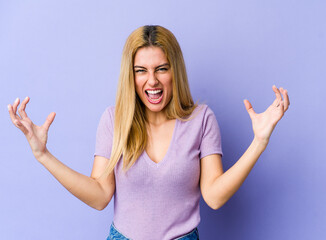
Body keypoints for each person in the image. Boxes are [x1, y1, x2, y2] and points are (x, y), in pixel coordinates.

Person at [7, 25, 290, 240]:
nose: (151, 80)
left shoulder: (201, 120)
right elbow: (99, 195)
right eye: (141, 70)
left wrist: (259, 142)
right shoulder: (114, 120)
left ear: (174, 70)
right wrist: (43, 155)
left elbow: (214, 196)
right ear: (130, 76)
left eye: (161, 69)